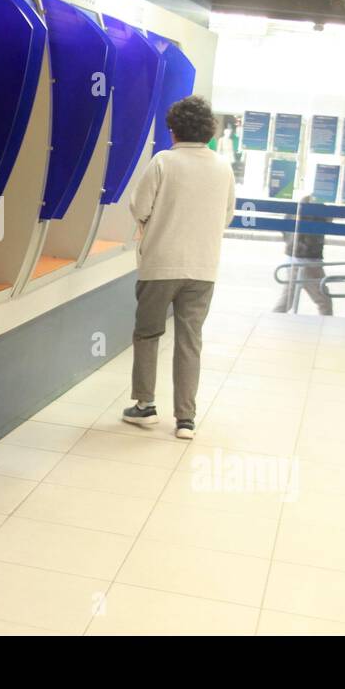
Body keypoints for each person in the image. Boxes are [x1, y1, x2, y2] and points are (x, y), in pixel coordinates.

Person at [123, 95, 235, 439]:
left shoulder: (163, 162)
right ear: (208, 130)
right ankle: (185, 418)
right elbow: (227, 216)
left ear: (173, 130)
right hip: (203, 268)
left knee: (148, 334)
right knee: (190, 340)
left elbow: (139, 206)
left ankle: (145, 406)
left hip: (160, 265)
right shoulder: (223, 166)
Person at [272, 194, 334, 315]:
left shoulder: (293, 211)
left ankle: (270, 322)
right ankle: (324, 327)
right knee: (324, 302)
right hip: (308, 262)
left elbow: (284, 231)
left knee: (286, 300)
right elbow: (325, 226)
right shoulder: (316, 214)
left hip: (291, 259)